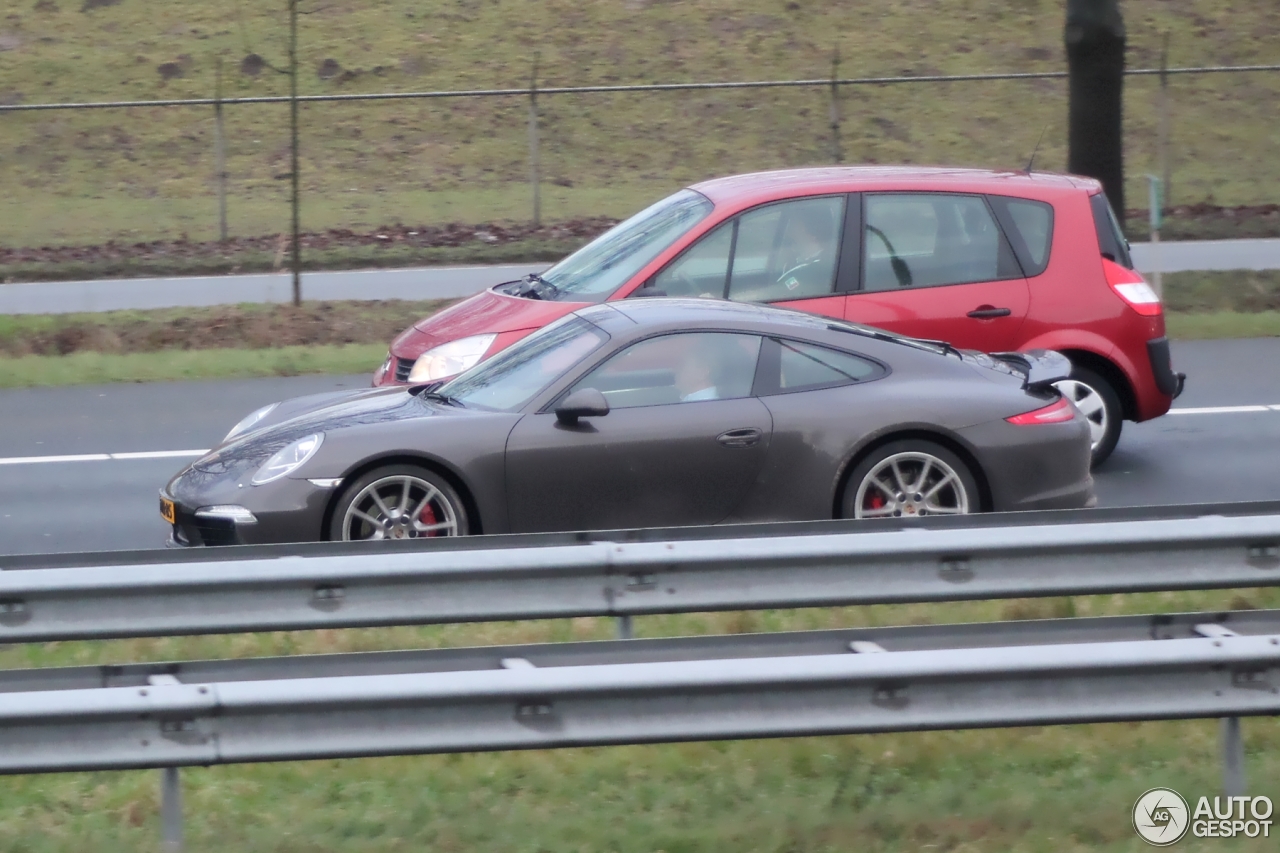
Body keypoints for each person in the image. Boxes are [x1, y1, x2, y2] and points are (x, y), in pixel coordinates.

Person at [774, 202, 838, 296]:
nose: (788, 232)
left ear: (813, 233)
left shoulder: (811, 271)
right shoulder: (797, 265)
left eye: (794, 225)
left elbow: (775, 295)